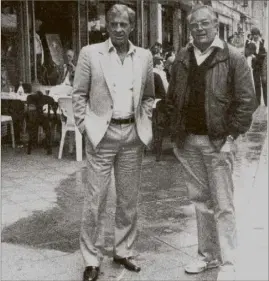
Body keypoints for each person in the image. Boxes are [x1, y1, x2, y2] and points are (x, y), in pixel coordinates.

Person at [166, 5, 257, 281]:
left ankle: (228, 261)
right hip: (189, 142)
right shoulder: (182, 56)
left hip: (218, 142)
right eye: (194, 25)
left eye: (205, 24)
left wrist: (231, 137)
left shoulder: (232, 57)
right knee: (201, 202)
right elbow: (173, 97)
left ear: (216, 25)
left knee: (223, 204)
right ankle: (207, 256)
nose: (199, 29)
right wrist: (175, 134)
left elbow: (247, 102)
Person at [72, 4, 154, 281]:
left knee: (128, 200)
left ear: (132, 27)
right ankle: (91, 259)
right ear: (107, 25)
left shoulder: (144, 57)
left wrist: (144, 121)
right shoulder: (90, 54)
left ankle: (123, 250)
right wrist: (86, 127)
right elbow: (78, 94)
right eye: (114, 24)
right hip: (102, 137)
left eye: (124, 24)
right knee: (95, 200)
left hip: (132, 135)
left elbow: (148, 96)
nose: (119, 29)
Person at [250, 27, 267, 106]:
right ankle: (258, 102)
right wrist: (251, 55)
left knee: (264, 83)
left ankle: (266, 101)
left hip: (263, 66)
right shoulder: (250, 43)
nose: (255, 36)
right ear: (252, 35)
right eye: (254, 35)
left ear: (259, 35)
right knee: (257, 84)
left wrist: (258, 56)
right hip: (255, 67)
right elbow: (247, 53)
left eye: (256, 35)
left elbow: (266, 54)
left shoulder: (264, 42)